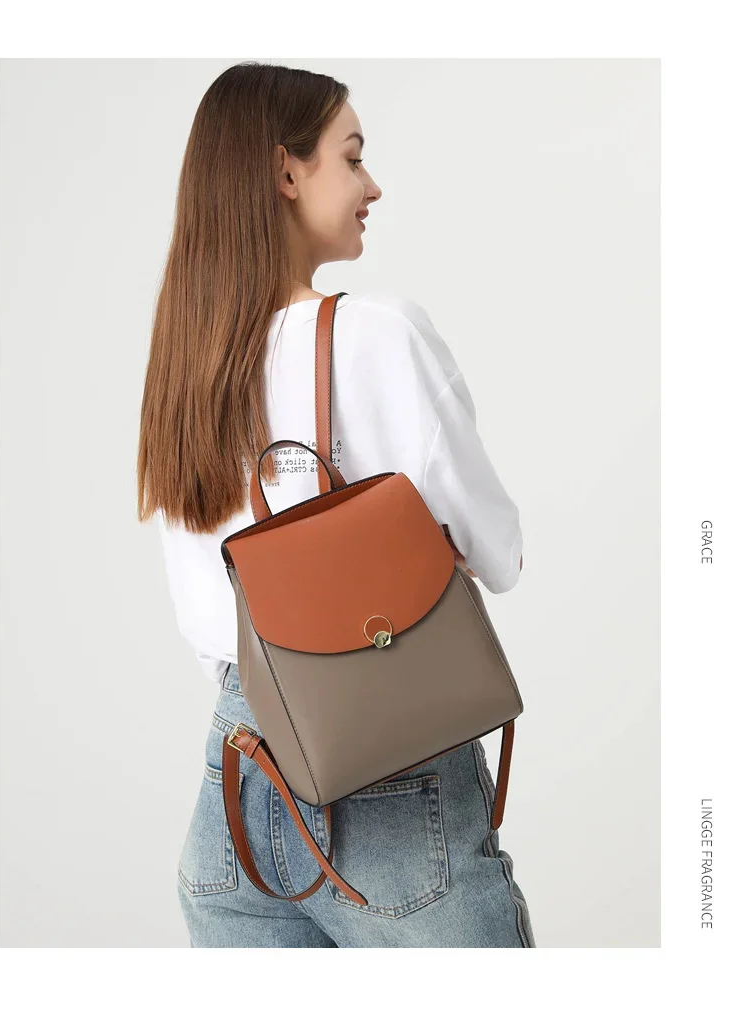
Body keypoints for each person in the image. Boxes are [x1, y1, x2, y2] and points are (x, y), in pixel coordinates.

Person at [137, 61, 535, 948]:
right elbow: (499, 554)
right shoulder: (376, 333)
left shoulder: (185, 371)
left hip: (234, 790)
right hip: (383, 766)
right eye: (352, 157)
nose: (372, 185)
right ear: (287, 172)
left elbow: (211, 621)